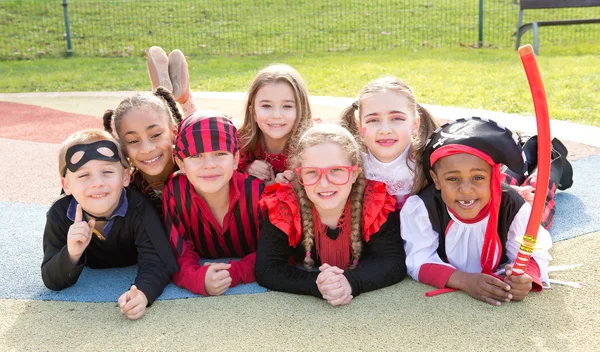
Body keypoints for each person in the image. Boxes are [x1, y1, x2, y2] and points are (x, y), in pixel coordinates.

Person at [401, 117, 552, 306]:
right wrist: (465, 281)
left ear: (493, 177)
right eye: (453, 179)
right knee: (506, 185)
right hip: (492, 191)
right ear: (436, 179)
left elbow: (533, 254)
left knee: (540, 192)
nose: (465, 189)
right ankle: (526, 152)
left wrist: (525, 278)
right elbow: (418, 260)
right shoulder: (422, 208)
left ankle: (551, 161)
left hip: (502, 194)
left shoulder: (514, 206)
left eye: (477, 177)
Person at [256, 123, 406, 306]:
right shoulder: (285, 205)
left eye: (336, 170)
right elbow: (267, 268)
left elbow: (392, 261)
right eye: (311, 172)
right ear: (299, 175)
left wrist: (350, 283)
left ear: (354, 173)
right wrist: (315, 284)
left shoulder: (373, 202)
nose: (325, 183)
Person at [41, 129, 178, 320]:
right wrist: (71, 254)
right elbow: (51, 279)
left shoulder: (140, 209)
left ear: (125, 177)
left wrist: (143, 293)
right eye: (83, 175)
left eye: (107, 172)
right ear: (66, 185)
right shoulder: (59, 215)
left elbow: (161, 261)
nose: (97, 183)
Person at [163, 114, 264, 296]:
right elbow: (177, 254)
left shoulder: (256, 192)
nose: (209, 165)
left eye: (219, 154)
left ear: (235, 159)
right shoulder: (175, 193)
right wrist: (196, 278)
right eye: (196, 155)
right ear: (181, 163)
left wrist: (233, 273)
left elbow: (278, 253)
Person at [339, 76, 439, 209]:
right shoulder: (351, 167)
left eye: (397, 118)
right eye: (373, 120)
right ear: (360, 127)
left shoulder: (430, 165)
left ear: (415, 124)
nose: (385, 130)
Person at [103, 87, 183, 212]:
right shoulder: (124, 193)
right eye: (133, 141)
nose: (147, 149)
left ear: (174, 133)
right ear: (123, 147)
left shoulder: (197, 173)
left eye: (156, 135)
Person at [237, 63, 314, 183]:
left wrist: (292, 186)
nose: (276, 115)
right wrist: (246, 170)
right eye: (266, 106)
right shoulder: (240, 143)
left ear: (301, 110)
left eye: (287, 106)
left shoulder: (313, 147)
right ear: (253, 112)